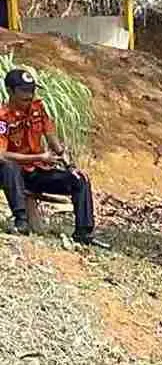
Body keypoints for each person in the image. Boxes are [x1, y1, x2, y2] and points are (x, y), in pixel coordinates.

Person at [0, 67, 101, 246]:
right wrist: (39, 156)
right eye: (23, 91)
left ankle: (84, 232)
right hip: (13, 175)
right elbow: (2, 155)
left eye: (31, 90)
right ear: (10, 91)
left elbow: (54, 141)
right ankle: (21, 220)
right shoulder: (3, 117)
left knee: (80, 180)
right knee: (9, 166)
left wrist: (71, 167)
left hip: (37, 170)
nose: (29, 96)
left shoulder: (38, 109)